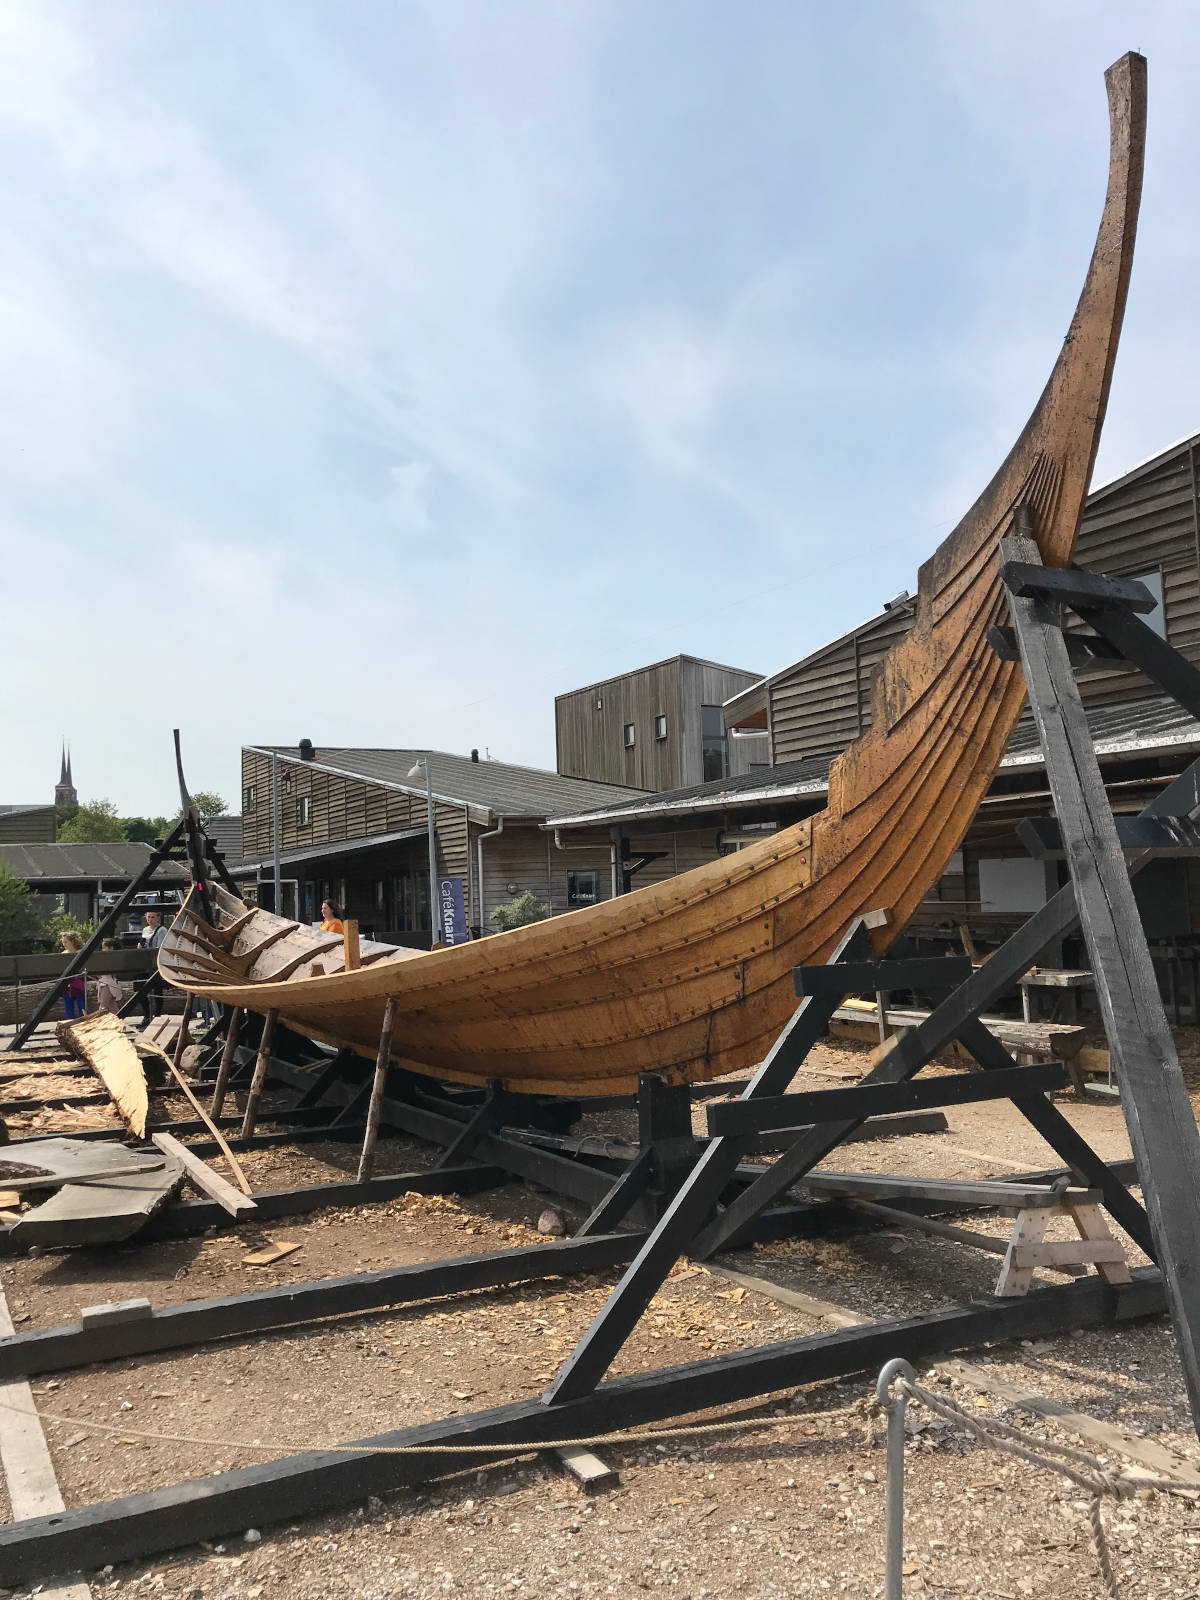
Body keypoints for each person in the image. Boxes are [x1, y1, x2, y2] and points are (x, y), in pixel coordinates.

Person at [139, 909, 168, 1027]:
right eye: (148, 917)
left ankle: (157, 1014)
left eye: (152, 917)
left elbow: (160, 947)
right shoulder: (145, 930)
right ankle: (147, 1014)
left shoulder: (162, 930)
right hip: (145, 962)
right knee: (140, 987)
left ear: (157, 918)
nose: (150, 919)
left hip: (156, 963)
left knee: (157, 989)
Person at [60, 933, 86, 1020]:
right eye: (63, 942)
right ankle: (70, 1025)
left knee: (82, 1006)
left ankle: (85, 1024)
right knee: (68, 1008)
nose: (64, 944)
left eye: (66, 942)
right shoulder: (63, 954)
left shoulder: (80, 952)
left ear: (73, 941)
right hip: (66, 985)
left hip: (78, 984)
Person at [95, 938, 124, 1015]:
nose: (102, 950)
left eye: (104, 948)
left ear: (111, 948)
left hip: (108, 984)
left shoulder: (113, 958)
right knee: (112, 1006)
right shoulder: (105, 958)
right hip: (105, 983)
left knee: (103, 1007)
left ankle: (99, 1024)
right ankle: (120, 1021)